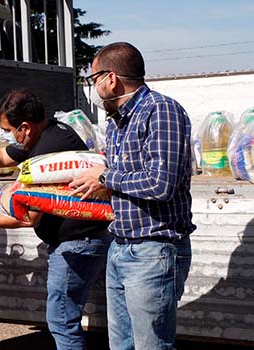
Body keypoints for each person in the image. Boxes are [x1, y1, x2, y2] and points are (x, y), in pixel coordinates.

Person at [0, 89, 112, 350]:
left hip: (76, 243)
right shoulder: (46, 133)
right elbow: (2, 156)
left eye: (9, 130)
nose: (8, 136)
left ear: (25, 127)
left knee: (61, 319)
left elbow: (27, 217)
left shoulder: (48, 154)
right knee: (64, 316)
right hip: (79, 241)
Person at [69, 42, 196, 350]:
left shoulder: (161, 111)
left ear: (110, 78)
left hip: (153, 251)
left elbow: (160, 183)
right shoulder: (115, 125)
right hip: (122, 247)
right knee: (121, 345)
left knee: (152, 346)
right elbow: (116, 180)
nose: (94, 89)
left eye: (93, 79)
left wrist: (104, 178)